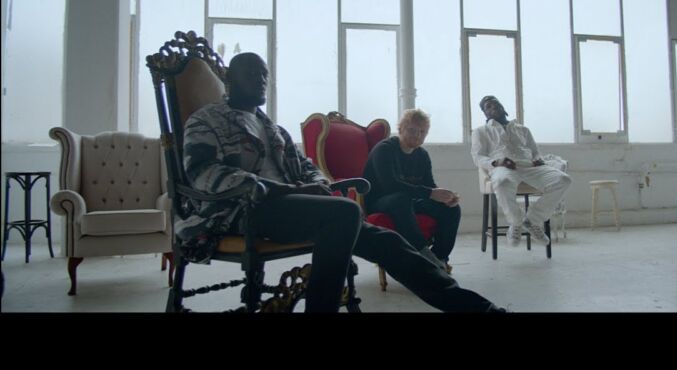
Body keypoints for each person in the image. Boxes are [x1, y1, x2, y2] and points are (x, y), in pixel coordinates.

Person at [179, 52, 504, 313]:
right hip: (241, 210)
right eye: (252, 73)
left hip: (290, 208)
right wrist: (288, 190)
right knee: (346, 212)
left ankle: (479, 308)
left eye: (264, 74)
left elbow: (306, 167)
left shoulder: (272, 128)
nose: (261, 80)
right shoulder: (206, 120)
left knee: (388, 243)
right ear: (229, 79)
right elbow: (203, 173)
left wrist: (319, 185)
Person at [362, 109, 460, 272]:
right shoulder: (384, 149)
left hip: (408, 202)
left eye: (422, 132)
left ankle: (439, 258)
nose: (417, 135)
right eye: (412, 130)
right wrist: (430, 193)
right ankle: (421, 252)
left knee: (451, 208)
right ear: (400, 129)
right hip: (380, 202)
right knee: (401, 198)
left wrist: (445, 197)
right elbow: (390, 185)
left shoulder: (422, 155)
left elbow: (429, 185)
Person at [470, 95, 572, 247]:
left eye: (496, 104)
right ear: (485, 113)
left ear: (503, 107)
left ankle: (532, 220)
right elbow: (477, 157)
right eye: (488, 107)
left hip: (530, 166)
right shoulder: (481, 131)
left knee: (563, 180)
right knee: (502, 182)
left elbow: (535, 151)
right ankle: (516, 223)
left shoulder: (523, 129)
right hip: (504, 167)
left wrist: (537, 159)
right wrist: (497, 162)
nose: (493, 107)